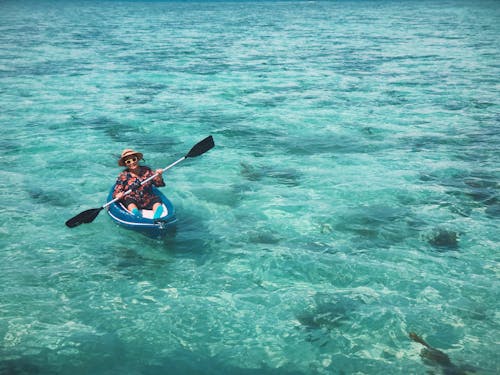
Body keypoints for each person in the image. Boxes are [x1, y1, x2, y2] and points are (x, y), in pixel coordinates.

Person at [113, 149, 165, 219]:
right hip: (132, 198)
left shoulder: (147, 170)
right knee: (129, 201)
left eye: (134, 159)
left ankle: (157, 219)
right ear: (126, 164)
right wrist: (117, 195)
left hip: (147, 197)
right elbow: (117, 191)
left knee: (157, 201)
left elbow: (159, 184)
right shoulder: (123, 175)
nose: (132, 163)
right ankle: (137, 217)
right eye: (128, 161)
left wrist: (159, 175)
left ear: (137, 160)